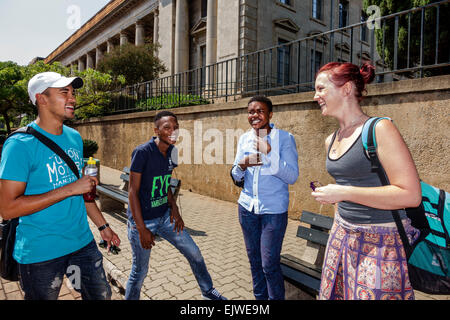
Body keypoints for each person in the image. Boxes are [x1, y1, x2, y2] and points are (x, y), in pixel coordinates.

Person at [0, 71, 121, 300]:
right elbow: (7, 209)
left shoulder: (74, 137)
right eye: (64, 92)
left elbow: (82, 193)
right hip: (40, 252)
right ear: (41, 98)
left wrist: (103, 227)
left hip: (82, 243)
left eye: (73, 92)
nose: (73, 98)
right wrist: (70, 188)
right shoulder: (19, 145)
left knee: (101, 296)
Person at [311, 62, 422, 300]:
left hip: (381, 243)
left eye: (321, 89)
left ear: (347, 88)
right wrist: (338, 208)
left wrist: (344, 192)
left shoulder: (380, 128)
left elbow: (410, 194)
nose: (315, 95)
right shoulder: (330, 139)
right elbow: (344, 193)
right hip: (341, 238)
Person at [125, 110, 226, 300]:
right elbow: (132, 192)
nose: (173, 131)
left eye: (176, 127)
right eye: (167, 127)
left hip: (165, 217)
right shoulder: (142, 152)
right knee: (139, 272)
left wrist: (175, 209)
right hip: (143, 221)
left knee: (195, 254)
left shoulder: (172, 152)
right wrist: (141, 228)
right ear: (156, 130)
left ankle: (208, 292)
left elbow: (165, 184)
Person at [231, 95, 299, 300]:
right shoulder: (244, 138)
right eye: (251, 111)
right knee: (254, 262)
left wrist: (269, 153)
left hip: (273, 212)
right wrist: (242, 164)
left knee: (269, 264)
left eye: (260, 111)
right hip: (247, 209)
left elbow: (292, 176)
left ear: (270, 114)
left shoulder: (285, 138)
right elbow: (236, 175)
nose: (255, 115)